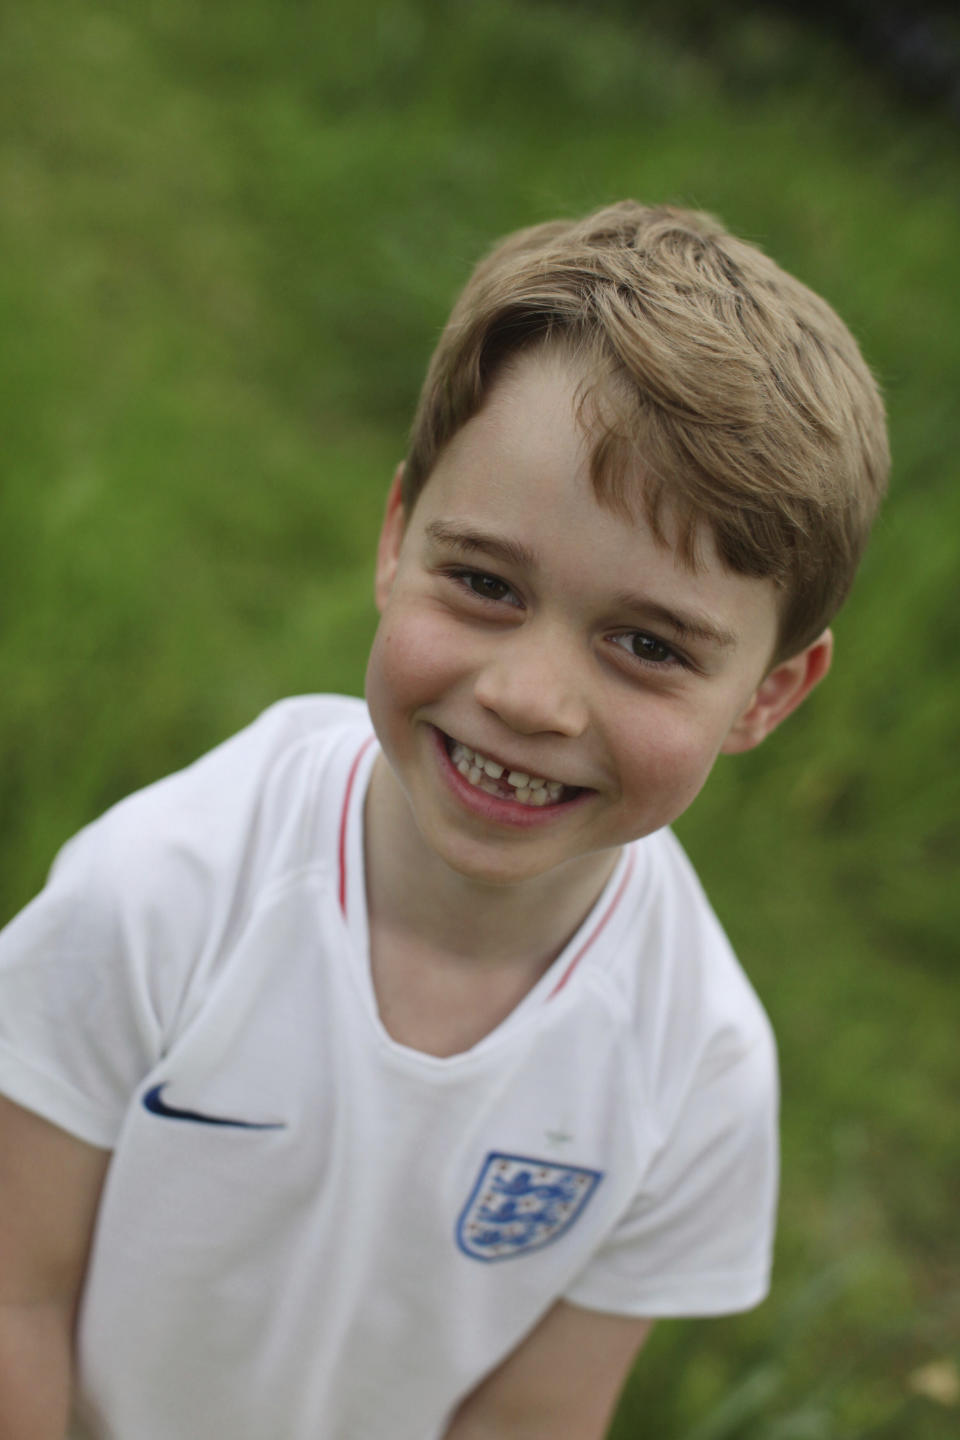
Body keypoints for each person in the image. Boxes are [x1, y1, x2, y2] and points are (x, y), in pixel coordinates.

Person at [0, 200, 889, 1440]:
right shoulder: (156, 896)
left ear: (771, 694)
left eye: (647, 645)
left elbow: (533, 1423)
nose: (529, 696)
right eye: (483, 584)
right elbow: (15, 1300)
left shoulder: (699, 1072)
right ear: (395, 537)